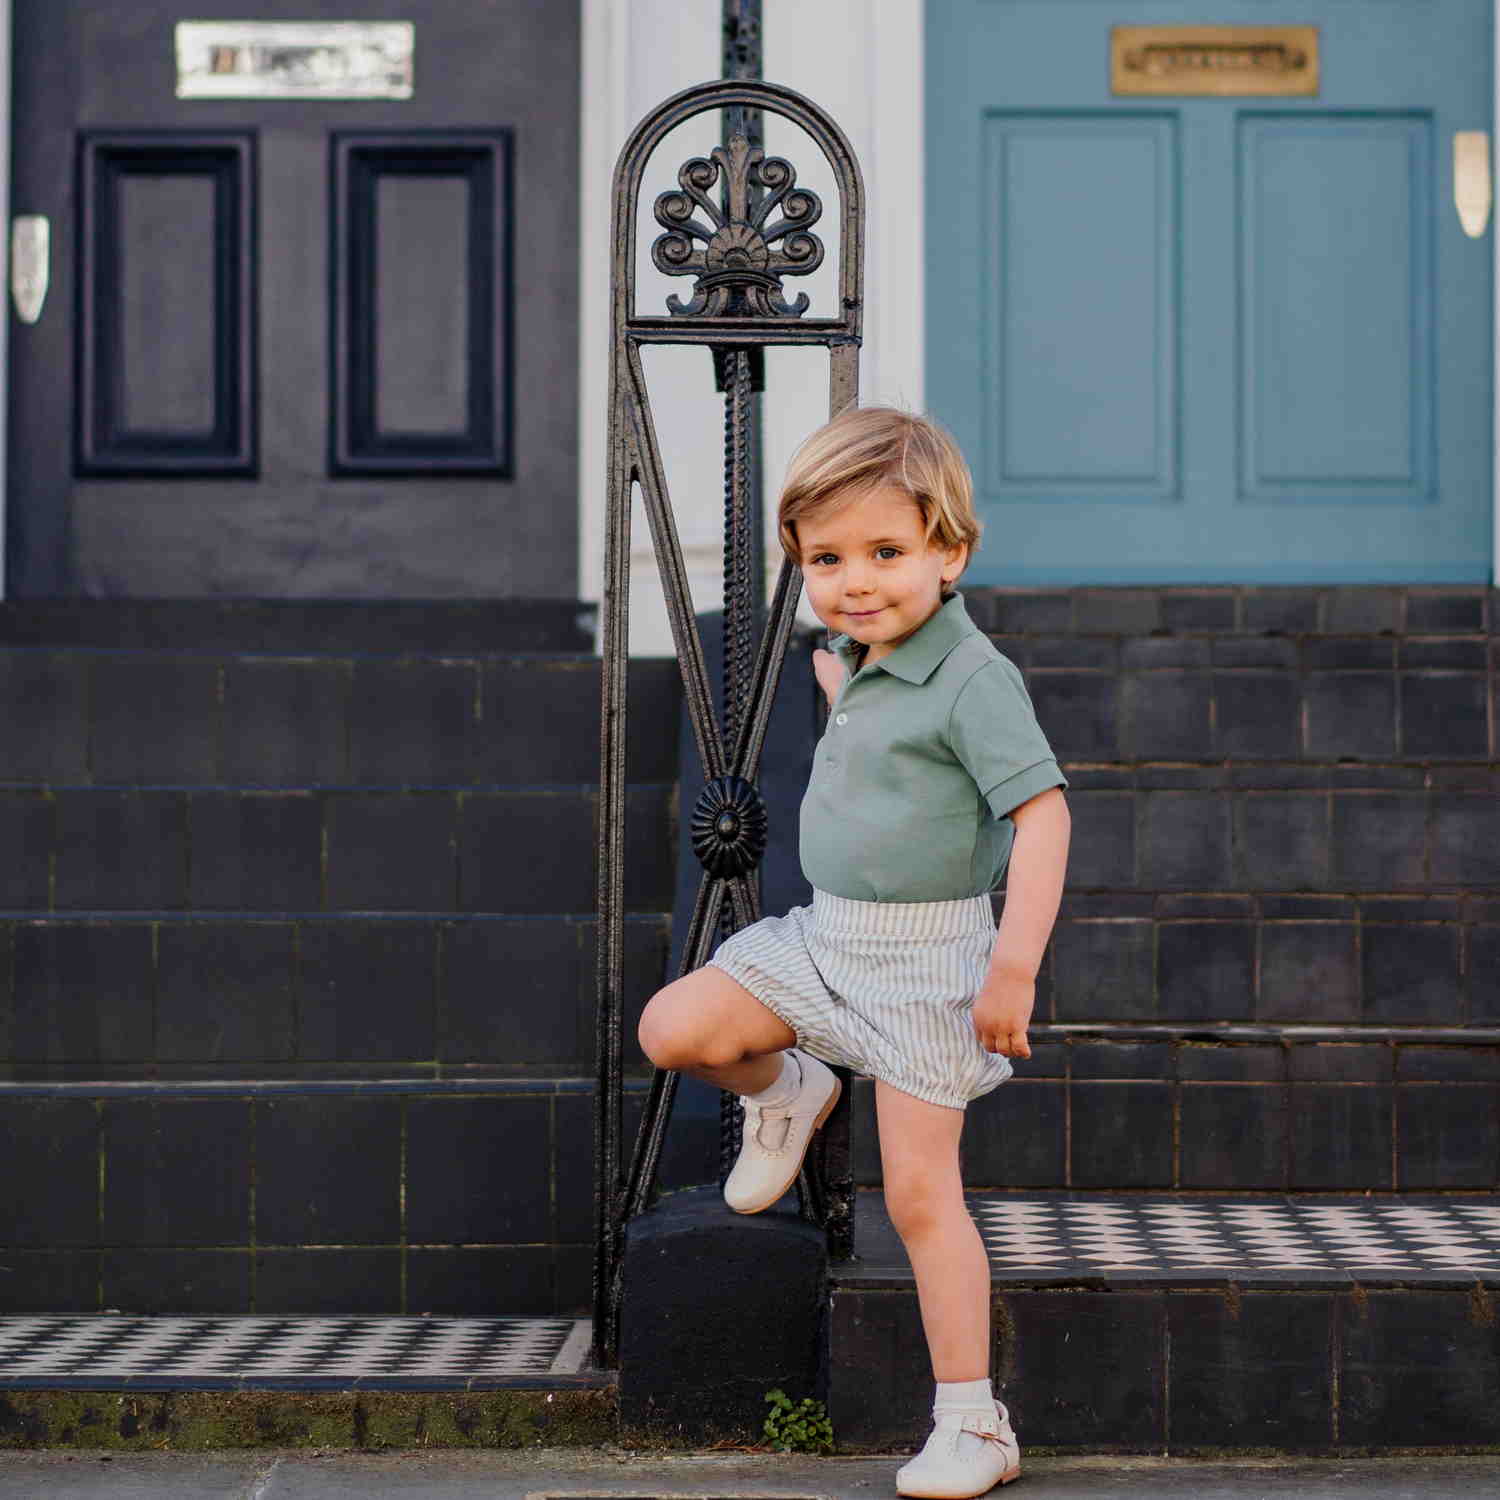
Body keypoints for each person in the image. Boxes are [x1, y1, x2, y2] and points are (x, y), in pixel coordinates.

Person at [638, 406, 1070, 1498]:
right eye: (827, 559)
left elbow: (1045, 814)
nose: (856, 582)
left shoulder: (973, 679)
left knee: (923, 1200)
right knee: (674, 1027)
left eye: (887, 553)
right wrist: (843, 694)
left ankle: (975, 1421)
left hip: (930, 972)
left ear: (950, 553)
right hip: (829, 942)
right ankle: (790, 1091)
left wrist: (1014, 961)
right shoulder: (856, 657)